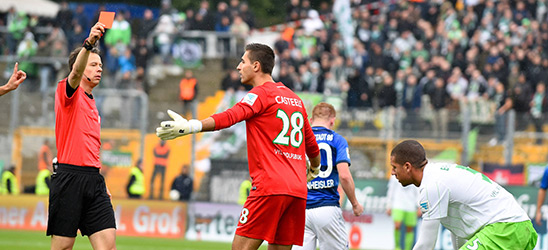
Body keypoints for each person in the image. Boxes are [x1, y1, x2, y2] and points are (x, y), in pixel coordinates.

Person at [156, 43, 321, 250]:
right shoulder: (295, 99)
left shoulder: (261, 94)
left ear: (256, 66)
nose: (238, 67)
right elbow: (312, 146)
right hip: (297, 191)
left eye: (243, 61)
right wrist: (313, 170)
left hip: (270, 186)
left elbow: (231, 116)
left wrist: (192, 125)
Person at [390, 140, 537, 250]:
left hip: (504, 229)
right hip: (522, 228)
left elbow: (426, 244)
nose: (392, 172)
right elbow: (459, 230)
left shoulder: (432, 186)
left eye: (394, 167)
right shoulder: (439, 173)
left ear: (407, 167)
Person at [48, 22, 117, 250]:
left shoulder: (92, 102)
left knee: (107, 246)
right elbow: (75, 73)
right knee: (63, 247)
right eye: (94, 64)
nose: (100, 69)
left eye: (101, 65)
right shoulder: (68, 92)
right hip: (70, 179)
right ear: (80, 67)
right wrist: (89, 43)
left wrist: (98, 177)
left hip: (93, 180)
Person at [292, 102, 364, 250]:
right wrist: (355, 204)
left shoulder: (298, 141)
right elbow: (344, 176)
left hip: (301, 210)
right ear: (333, 121)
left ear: (311, 121)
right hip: (327, 207)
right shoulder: (337, 140)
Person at [386, 174, 420, 250]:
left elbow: (418, 191)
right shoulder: (395, 174)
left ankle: (408, 248)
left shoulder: (413, 174)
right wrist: (389, 205)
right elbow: (391, 190)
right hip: (397, 204)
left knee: (409, 228)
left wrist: (419, 206)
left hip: (411, 205)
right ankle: (397, 247)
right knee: (397, 225)